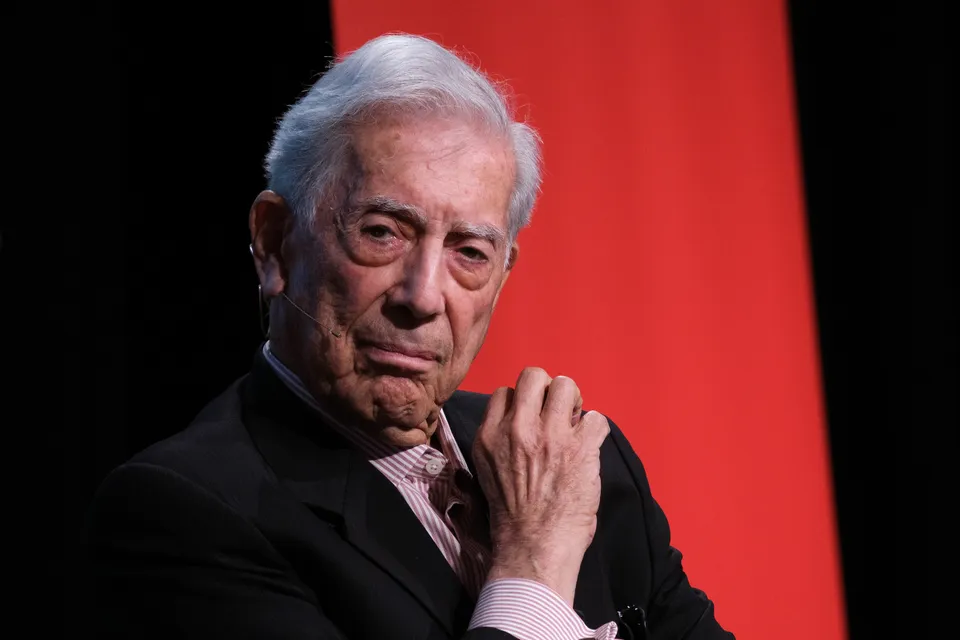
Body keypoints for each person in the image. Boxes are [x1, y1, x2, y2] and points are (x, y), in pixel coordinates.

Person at [84, 33, 735, 640]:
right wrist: (535, 560)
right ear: (274, 242)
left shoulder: (580, 469)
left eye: (469, 252)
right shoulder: (185, 511)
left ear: (501, 277)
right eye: (382, 233)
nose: (423, 297)